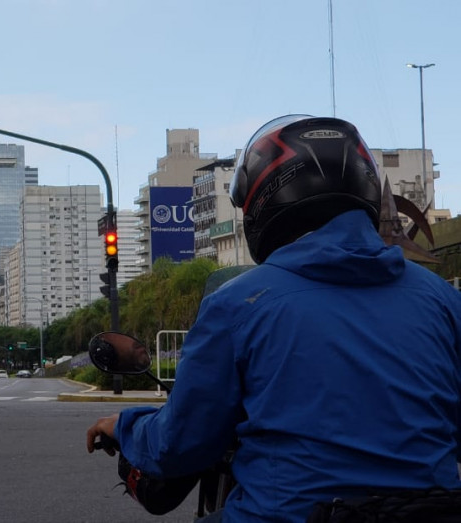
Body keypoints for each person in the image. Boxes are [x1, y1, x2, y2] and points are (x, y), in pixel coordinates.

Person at [85, 115, 461, 522]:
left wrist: (125, 425)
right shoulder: (443, 299)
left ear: (263, 198)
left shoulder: (238, 304)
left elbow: (177, 445)